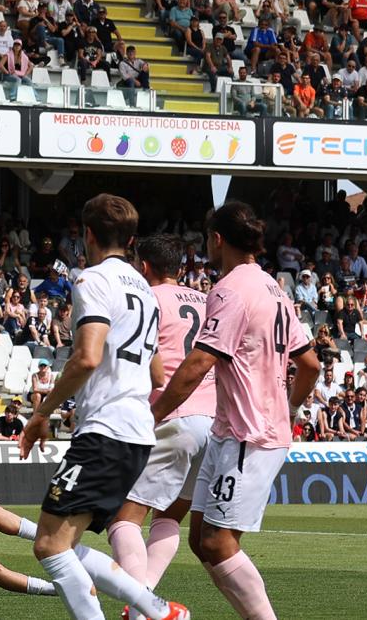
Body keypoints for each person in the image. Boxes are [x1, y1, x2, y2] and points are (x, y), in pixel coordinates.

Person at [18, 194, 189, 620]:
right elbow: (157, 373)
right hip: (135, 434)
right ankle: (158, 610)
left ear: (87, 234)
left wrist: (41, 413)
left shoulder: (92, 279)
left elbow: (87, 357)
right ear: (131, 240)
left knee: (49, 545)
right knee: (64, 542)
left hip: (105, 430)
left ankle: (154, 611)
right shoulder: (146, 293)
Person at [152, 201, 320, 620]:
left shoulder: (229, 289)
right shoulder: (274, 289)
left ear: (217, 239)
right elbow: (311, 363)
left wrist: (151, 417)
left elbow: (198, 363)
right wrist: (293, 406)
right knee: (201, 537)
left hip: (249, 433)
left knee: (218, 542)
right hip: (235, 431)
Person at [104, 234, 217, 619]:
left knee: (123, 519)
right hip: (214, 422)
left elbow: (142, 364)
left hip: (172, 417)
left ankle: (147, 610)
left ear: (144, 267)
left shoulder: (146, 299)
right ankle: (145, 603)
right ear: (181, 268)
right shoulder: (208, 300)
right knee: (168, 517)